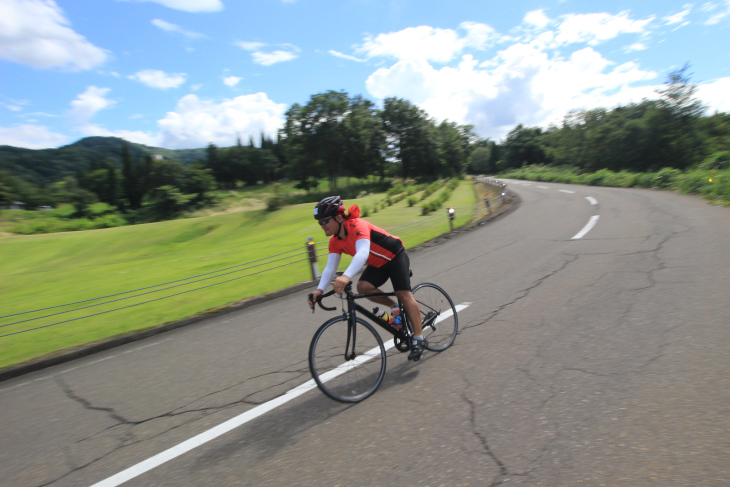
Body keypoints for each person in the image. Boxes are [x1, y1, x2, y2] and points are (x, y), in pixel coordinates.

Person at [307, 195, 425, 361]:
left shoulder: (357, 225)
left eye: (325, 221)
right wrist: (319, 290)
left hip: (395, 256)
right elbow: (330, 267)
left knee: (404, 294)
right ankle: (395, 308)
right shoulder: (334, 241)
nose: (322, 226)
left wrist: (346, 276)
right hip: (378, 264)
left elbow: (362, 253)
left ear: (339, 217)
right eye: (320, 223)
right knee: (362, 287)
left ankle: (419, 338)